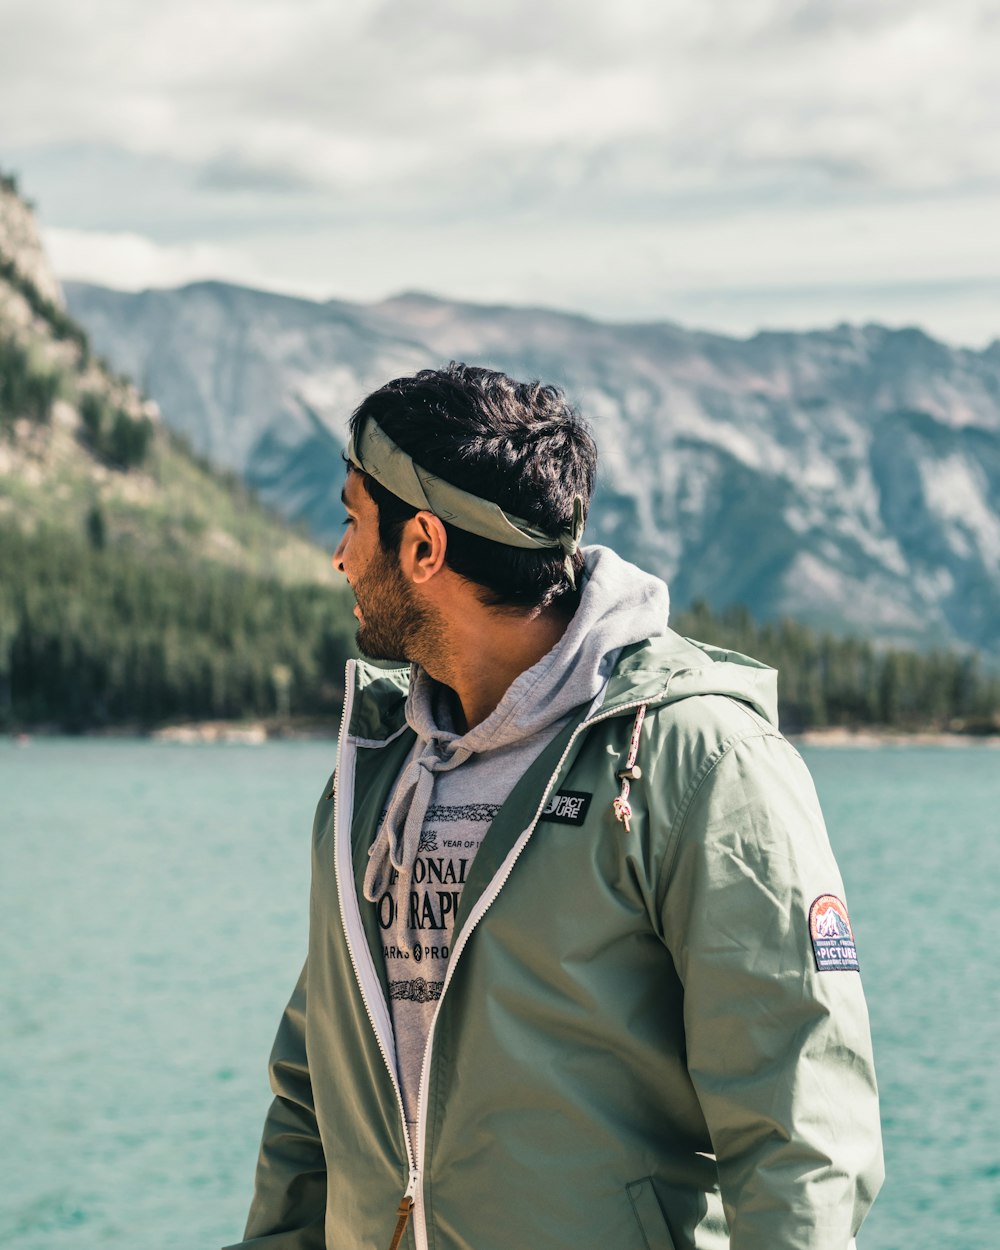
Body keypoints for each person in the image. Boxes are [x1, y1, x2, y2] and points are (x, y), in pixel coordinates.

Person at [226, 363, 883, 1250]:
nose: (340, 555)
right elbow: (314, 1092)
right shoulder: (369, 772)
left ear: (424, 547)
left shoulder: (698, 763)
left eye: (353, 519)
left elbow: (800, 1129)